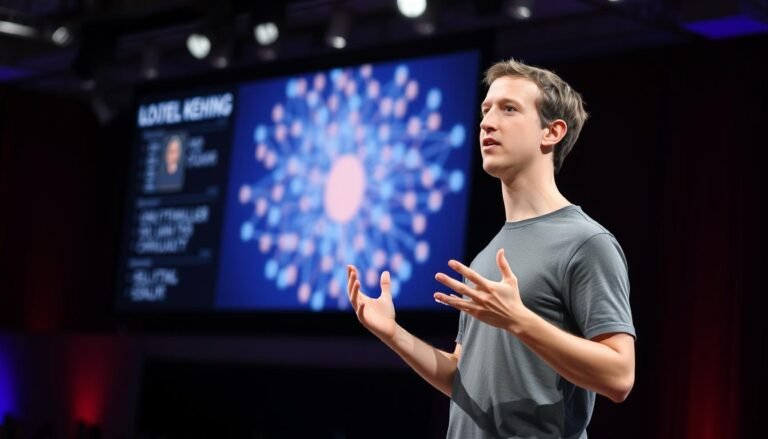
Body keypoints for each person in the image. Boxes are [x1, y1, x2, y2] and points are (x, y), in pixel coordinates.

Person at [346, 58, 635, 438]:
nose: (487, 122)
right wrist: (392, 333)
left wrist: (519, 320)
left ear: (552, 132)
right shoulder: (489, 254)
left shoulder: (585, 242)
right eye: (486, 110)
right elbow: (461, 378)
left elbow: (619, 376)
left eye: (509, 109)